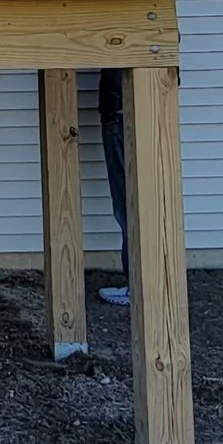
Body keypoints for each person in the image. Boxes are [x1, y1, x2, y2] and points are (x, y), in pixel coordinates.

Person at [95, 67, 131, 305]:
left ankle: (137, 286)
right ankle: (143, 283)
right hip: (122, 112)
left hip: (120, 115)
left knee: (127, 206)